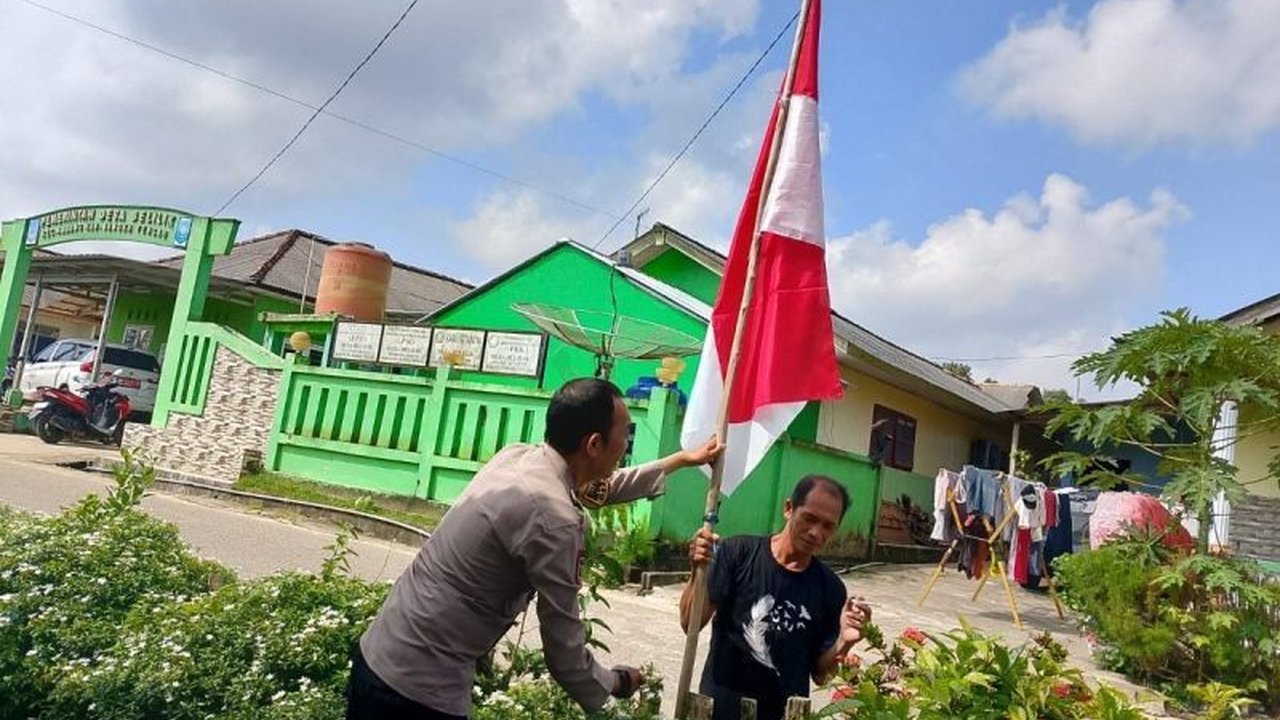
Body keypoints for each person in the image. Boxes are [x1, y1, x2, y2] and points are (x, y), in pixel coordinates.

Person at [348, 377, 722, 720]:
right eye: (626, 436)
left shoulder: (518, 458)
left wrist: (682, 460)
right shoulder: (554, 521)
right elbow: (564, 654)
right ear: (594, 444)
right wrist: (612, 684)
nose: (627, 447)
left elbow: (597, 488)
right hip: (417, 692)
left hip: (379, 654)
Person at [680, 475, 871, 720]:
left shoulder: (831, 589)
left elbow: (820, 673)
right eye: (809, 518)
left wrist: (844, 641)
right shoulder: (737, 554)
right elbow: (689, 624)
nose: (816, 532)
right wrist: (698, 569)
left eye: (827, 526)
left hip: (784, 714)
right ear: (789, 509)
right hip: (721, 710)